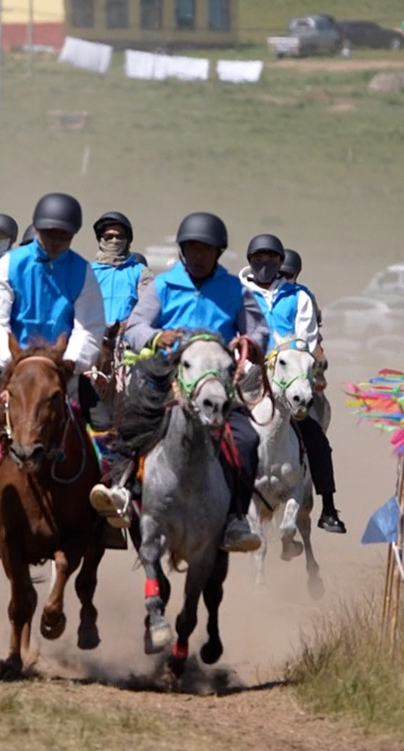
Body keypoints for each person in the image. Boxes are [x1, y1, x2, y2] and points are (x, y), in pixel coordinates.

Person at [90, 212, 270, 553]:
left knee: (247, 439)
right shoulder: (163, 285)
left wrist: (249, 342)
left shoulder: (235, 290)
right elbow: (136, 326)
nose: (197, 256)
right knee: (132, 421)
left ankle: (236, 518)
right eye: (191, 249)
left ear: (218, 252)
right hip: (168, 377)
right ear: (182, 250)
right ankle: (122, 489)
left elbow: (259, 330)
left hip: (215, 384)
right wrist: (156, 337)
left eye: (205, 250)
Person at [0, 193, 107, 562]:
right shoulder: (10, 264)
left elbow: (88, 326)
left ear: (73, 234)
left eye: (63, 235)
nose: (56, 240)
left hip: (61, 371)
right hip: (13, 371)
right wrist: (14, 363)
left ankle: (110, 512)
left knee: (105, 429)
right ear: (37, 229)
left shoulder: (82, 271)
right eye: (50, 232)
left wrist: (68, 362)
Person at [238, 237, 346, 534]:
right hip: (249, 373)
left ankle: (329, 509)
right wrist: (248, 362)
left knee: (315, 437)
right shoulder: (240, 293)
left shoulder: (299, 296)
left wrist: (285, 356)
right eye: (258, 259)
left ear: (280, 262)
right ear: (250, 261)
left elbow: (307, 339)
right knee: (216, 425)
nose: (265, 265)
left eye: (272, 259)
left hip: (288, 375)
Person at [88, 212, 150, 328]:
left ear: (128, 242)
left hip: (127, 334)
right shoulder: (87, 272)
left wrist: (127, 326)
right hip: (93, 333)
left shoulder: (141, 272)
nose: (114, 241)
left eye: (120, 237)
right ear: (100, 239)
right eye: (109, 237)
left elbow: (149, 309)